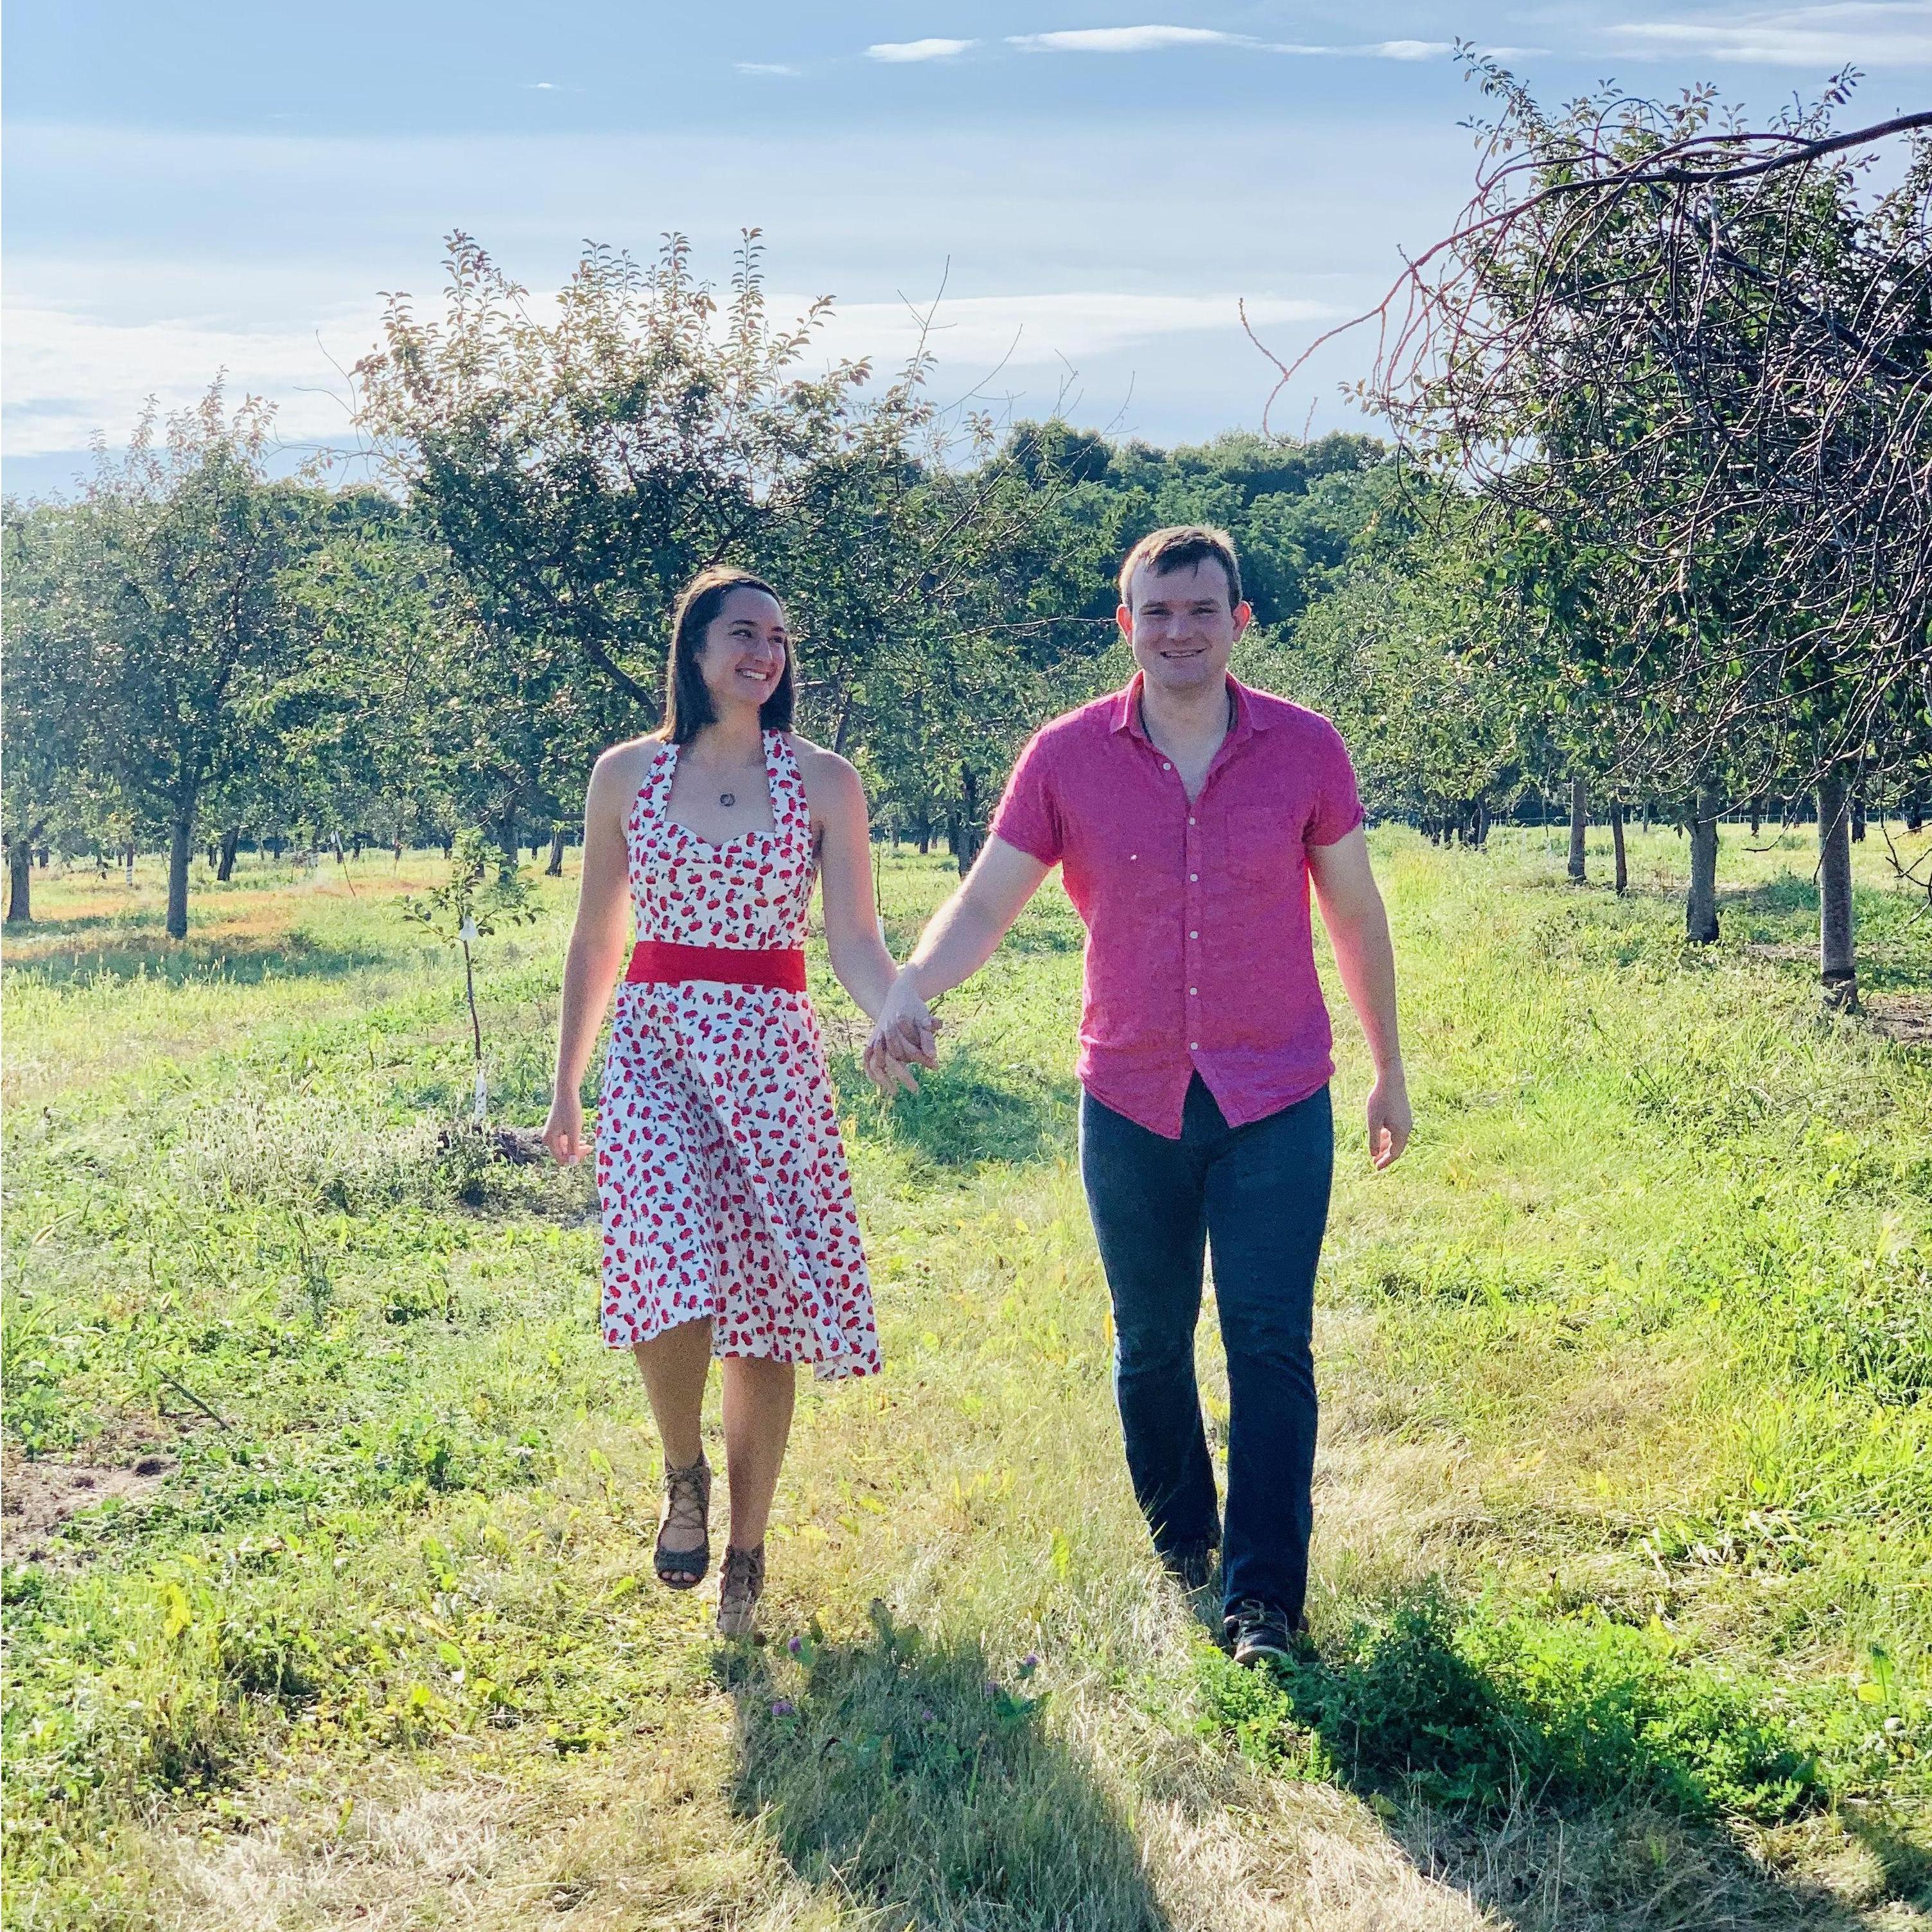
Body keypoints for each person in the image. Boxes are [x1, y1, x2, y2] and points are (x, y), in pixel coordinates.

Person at [868, 526, 1410, 1665]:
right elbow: (985, 903)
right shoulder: (1066, 758)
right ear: (1127, 626)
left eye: (1203, 610)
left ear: (1240, 622)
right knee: (1150, 1344)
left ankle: (1265, 1601)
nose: (1180, 632)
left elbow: (1354, 912)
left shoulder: (1307, 750)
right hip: (1129, 1097)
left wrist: (1388, 1067)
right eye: (1157, 613)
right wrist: (909, 986)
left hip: (1275, 1095)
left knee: (1270, 1343)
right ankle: (1184, 1555)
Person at [543, 565, 911, 1638]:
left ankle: (747, 1552)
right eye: (743, 633)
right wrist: (567, 1082)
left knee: (767, 1309)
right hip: (655, 1047)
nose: (766, 653)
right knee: (665, 1266)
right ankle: (683, 1472)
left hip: (771, 1056)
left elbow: (852, 939)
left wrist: (894, 1008)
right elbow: (596, 938)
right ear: (694, 649)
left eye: (781, 638)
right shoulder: (626, 776)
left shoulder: (825, 781)